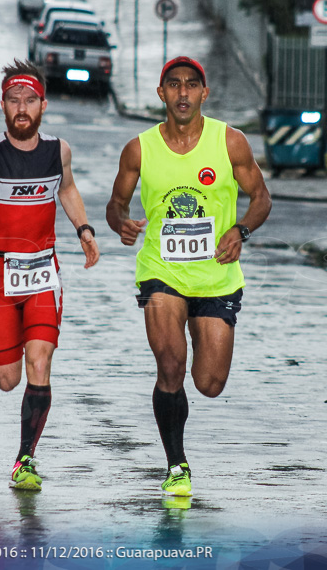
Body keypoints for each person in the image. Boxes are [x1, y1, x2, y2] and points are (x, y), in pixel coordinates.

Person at [106, 56, 271, 497]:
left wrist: (241, 229)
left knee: (209, 384)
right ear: (161, 93)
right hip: (162, 271)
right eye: (174, 85)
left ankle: (200, 343)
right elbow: (116, 203)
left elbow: (261, 198)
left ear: (204, 93)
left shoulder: (230, 142)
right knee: (170, 366)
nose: (183, 93)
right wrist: (120, 221)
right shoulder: (139, 149)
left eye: (191, 85)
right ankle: (176, 465)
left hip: (216, 276)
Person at [0, 60, 99, 491]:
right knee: (9, 379)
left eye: (30, 100)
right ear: (3, 106)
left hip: (44, 272)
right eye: (14, 101)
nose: (22, 108)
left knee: (40, 360)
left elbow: (65, 187)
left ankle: (24, 461)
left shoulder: (58, 151)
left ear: (43, 106)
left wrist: (83, 229)